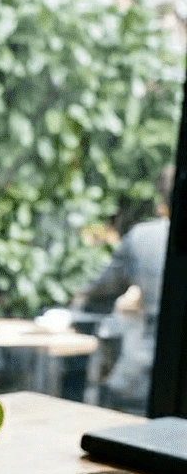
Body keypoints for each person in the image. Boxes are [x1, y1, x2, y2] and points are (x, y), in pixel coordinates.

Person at [71, 165, 174, 414]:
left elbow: (98, 294)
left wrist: (75, 303)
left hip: (139, 382)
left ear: (162, 201)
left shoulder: (144, 237)